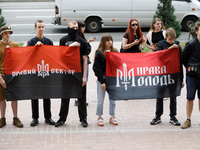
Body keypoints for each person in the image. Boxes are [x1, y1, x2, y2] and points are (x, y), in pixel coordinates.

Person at [55, 20, 89, 127]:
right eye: (73, 28)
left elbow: (85, 60)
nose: (75, 29)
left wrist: (84, 77)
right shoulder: (63, 40)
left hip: (79, 73)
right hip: (67, 73)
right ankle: (62, 118)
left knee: (82, 97)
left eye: (76, 28)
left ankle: (83, 119)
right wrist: (71, 48)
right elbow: (60, 56)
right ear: (68, 28)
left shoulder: (83, 42)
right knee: (65, 97)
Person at [150, 28, 184, 126]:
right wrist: (169, 49)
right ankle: (158, 116)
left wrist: (181, 79)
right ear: (166, 38)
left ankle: (173, 116)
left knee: (173, 96)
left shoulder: (177, 47)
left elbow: (179, 64)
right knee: (159, 95)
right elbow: (159, 57)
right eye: (170, 39)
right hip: (162, 74)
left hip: (173, 74)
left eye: (173, 39)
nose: (172, 41)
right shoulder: (161, 44)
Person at [27, 20, 55, 126]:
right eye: (39, 27)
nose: (41, 29)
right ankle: (35, 117)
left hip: (46, 71)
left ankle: (48, 117)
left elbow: (53, 56)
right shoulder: (31, 42)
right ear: (35, 28)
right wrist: (35, 48)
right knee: (34, 95)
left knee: (46, 95)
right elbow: (27, 57)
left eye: (43, 27)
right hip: (34, 72)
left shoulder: (49, 41)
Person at [93, 33, 118, 126]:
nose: (110, 42)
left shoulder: (115, 51)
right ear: (104, 42)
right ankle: (99, 116)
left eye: (111, 40)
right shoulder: (99, 52)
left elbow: (118, 64)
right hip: (102, 79)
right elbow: (96, 68)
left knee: (113, 100)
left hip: (112, 79)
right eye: (107, 40)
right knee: (100, 100)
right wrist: (102, 81)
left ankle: (112, 115)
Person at [0, 26, 23, 128]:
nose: (8, 35)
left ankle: (15, 118)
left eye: (9, 33)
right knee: (1, 99)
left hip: (12, 75)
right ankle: (2, 118)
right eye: (5, 33)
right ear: (1, 34)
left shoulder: (14, 45)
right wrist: (0, 79)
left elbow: (19, 60)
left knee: (14, 97)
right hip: (2, 74)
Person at [181, 22, 200, 129]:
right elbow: (184, 60)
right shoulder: (191, 44)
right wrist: (192, 68)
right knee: (190, 98)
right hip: (192, 76)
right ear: (196, 31)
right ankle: (188, 120)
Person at [74, 21, 96, 106]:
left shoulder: (82, 36)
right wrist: (87, 43)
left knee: (84, 81)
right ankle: (78, 99)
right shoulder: (78, 38)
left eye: (84, 27)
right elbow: (83, 50)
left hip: (84, 61)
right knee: (80, 81)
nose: (84, 29)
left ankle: (81, 99)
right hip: (80, 63)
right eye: (82, 27)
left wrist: (88, 42)